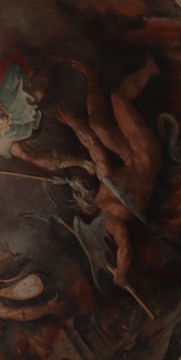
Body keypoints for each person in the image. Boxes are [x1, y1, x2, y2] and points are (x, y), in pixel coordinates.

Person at [58, 57, 162, 287]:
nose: (84, 197)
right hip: (146, 159)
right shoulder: (109, 220)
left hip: (130, 158)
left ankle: (93, 75)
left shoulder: (103, 183)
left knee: (98, 125)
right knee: (118, 99)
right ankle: (150, 69)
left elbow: (93, 143)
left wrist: (74, 123)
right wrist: (122, 273)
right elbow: (124, 244)